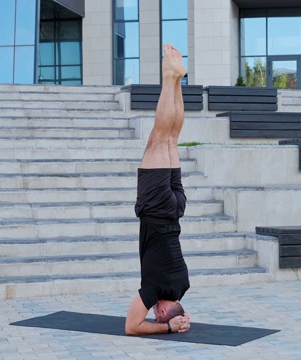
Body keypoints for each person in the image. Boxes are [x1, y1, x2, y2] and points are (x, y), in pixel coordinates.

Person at [125, 44, 191, 336]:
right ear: (163, 310)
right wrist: (165, 328)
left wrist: (180, 319)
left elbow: (178, 310)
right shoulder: (155, 290)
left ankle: (177, 81)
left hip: (176, 209)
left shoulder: (182, 285)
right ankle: (169, 77)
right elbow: (131, 327)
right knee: (159, 137)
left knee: (172, 139)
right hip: (156, 208)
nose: (153, 312)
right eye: (157, 313)